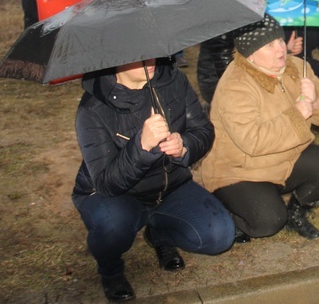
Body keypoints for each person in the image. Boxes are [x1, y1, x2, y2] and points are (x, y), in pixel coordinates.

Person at [72, 58, 234, 301]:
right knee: (113, 226)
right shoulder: (93, 108)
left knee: (219, 236)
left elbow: (203, 130)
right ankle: (111, 269)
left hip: (170, 186)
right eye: (137, 56)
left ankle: (159, 233)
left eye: (151, 52)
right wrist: (141, 147)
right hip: (117, 196)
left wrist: (184, 146)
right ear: (115, 60)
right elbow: (106, 183)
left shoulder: (172, 80)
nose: (150, 60)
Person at [200, 14, 319, 241]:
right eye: (269, 45)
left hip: (284, 159)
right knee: (268, 222)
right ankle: (226, 212)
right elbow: (253, 142)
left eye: (279, 40)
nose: (280, 50)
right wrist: (297, 115)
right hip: (241, 170)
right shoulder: (235, 86)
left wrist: (316, 102)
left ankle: (296, 213)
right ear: (250, 53)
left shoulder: (296, 67)